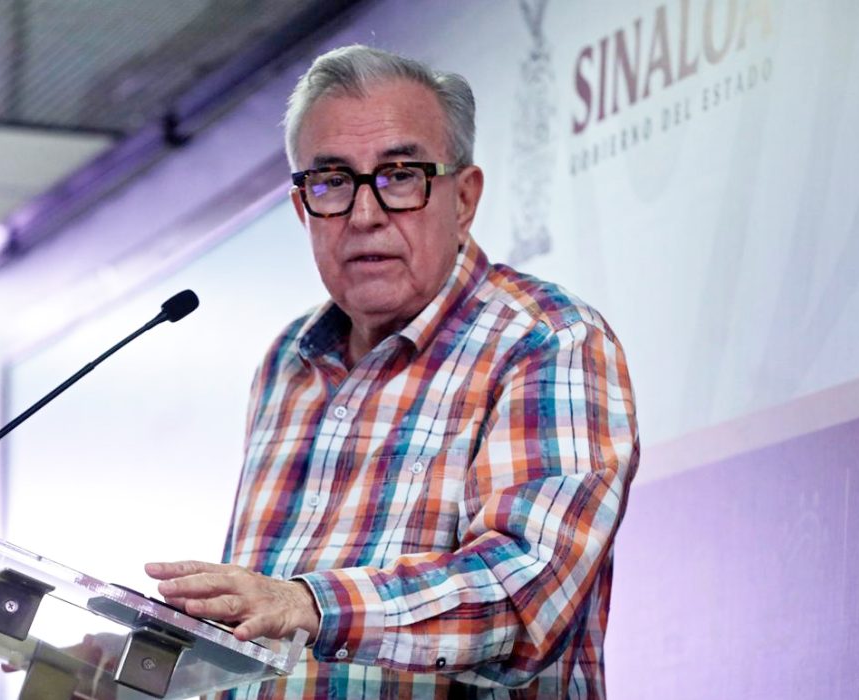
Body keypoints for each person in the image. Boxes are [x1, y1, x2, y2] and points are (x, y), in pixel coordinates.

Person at [146, 45, 639, 699]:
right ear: (302, 207)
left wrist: (310, 605)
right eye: (332, 181)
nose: (364, 214)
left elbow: (523, 596)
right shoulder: (288, 361)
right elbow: (262, 640)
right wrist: (143, 663)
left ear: (464, 198)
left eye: (401, 176)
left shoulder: (546, 340)